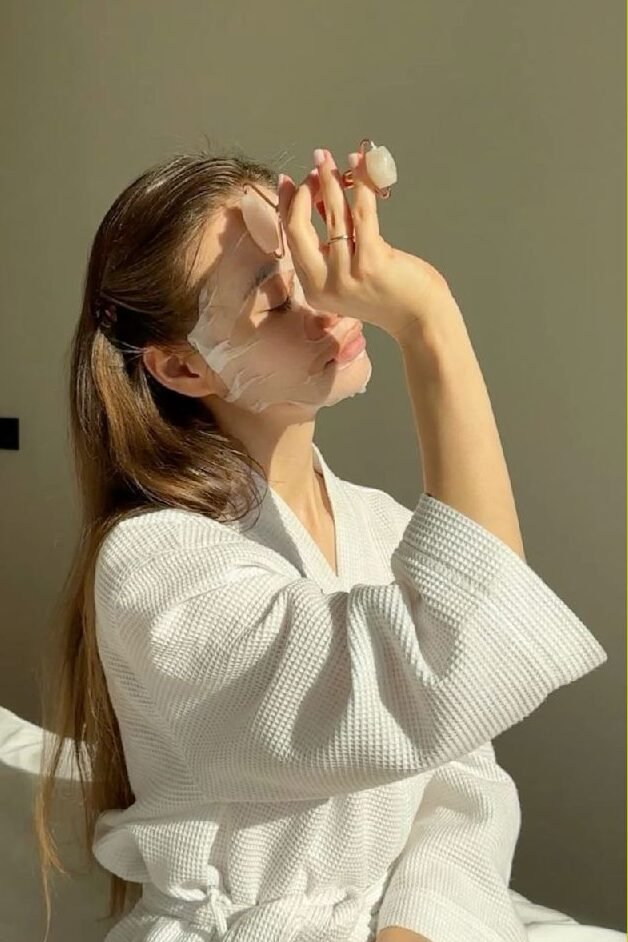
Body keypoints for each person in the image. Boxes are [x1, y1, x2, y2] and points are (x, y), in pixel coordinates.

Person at [33, 143, 618, 942]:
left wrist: (419, 927)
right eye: (276, 303)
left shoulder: (384, 526)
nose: (328, 307)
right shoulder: (154, 567)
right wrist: (428, 321)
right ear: (181, 368)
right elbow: (447, 662)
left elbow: (462, 785)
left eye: (313, 261)